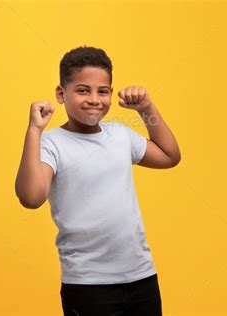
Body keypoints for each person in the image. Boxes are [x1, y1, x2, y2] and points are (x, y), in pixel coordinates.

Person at [15, 46, 180, 316]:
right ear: (61, 94)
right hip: (88, 285)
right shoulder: (52, 143)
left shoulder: (120, 135)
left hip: (141, 276)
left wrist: (146, 108)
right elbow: (31, 197)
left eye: (102, 91)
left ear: (111, 95)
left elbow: (169, 155)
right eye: (83, 90)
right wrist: (34, 130)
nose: (94, 99)